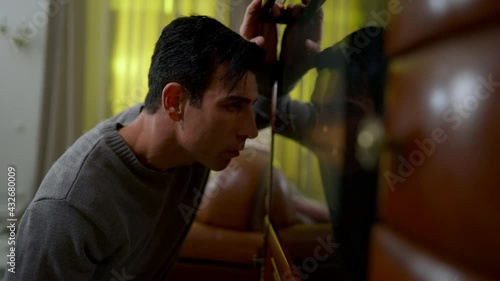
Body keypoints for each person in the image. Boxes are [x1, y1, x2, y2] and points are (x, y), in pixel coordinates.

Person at [6, 16, 267, 281]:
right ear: (175, 101)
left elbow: (268, 109)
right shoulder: (69, 210)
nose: (252, 129)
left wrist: (273, 59)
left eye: (247, 105)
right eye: (234, 105)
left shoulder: (185, 135)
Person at [241, 1, 388, 280]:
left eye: (346, 112)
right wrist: (284, 72)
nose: (319, 131)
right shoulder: (322, 126)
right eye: (319, 110)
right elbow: (266, 113)